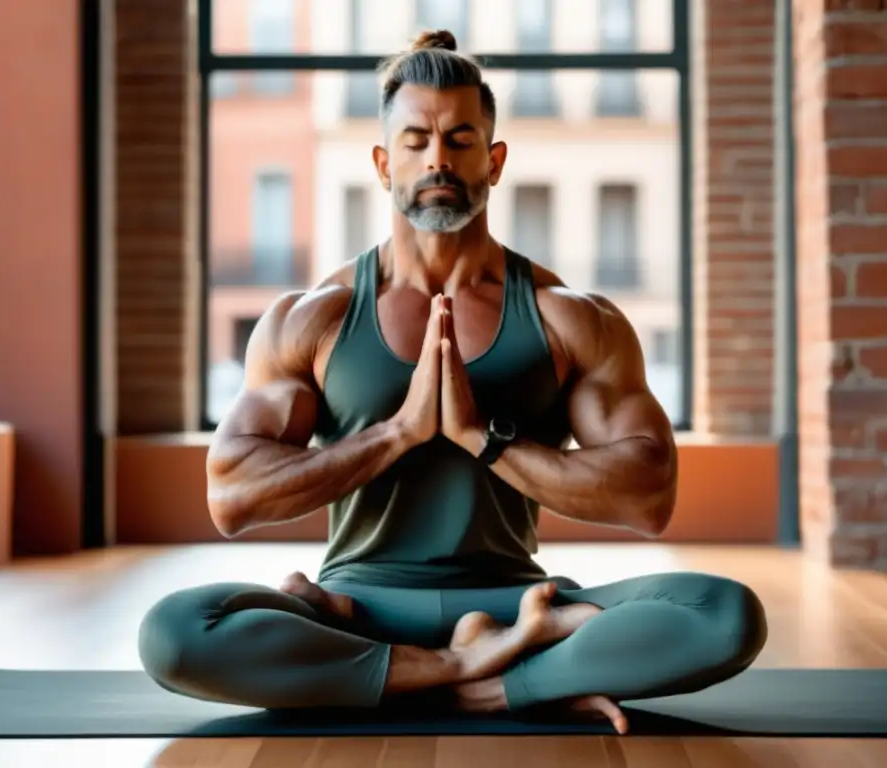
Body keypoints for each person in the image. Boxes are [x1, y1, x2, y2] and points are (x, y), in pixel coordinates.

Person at [138, 30, 767, 733]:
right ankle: (488, 674)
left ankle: (420, 676)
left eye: (461, 139)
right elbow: (231, 497)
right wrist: (397, 434)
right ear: (383, 163)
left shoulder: (569, 318)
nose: (438, 157)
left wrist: (482, 439)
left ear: (493, 161)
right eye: (415, 140)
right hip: (359, 608)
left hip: (515, 601)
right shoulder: (315, 319)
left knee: (724, 614)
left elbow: (649, 497)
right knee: (175, 630)